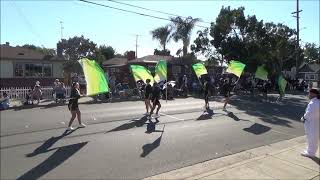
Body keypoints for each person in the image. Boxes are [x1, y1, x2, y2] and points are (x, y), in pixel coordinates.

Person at [300, 88, 320, 158]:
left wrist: (303, 118)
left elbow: (308, 113)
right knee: (314, 138)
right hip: (316, 123)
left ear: (313, 94)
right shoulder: (318, 101)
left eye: (309, 93)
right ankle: (310, 150)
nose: (308, 94)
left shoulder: (313, 103)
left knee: (311, 138)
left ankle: (310, 153)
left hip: (311, 123)